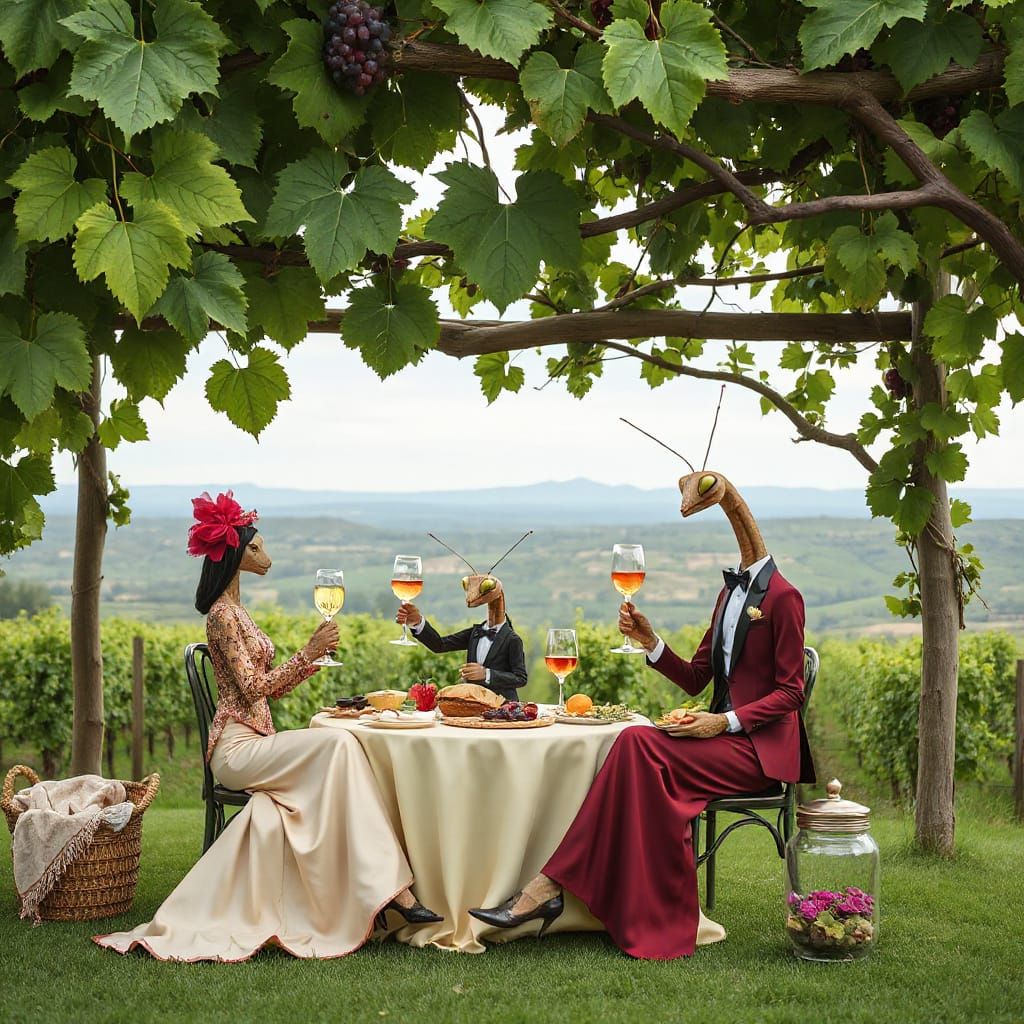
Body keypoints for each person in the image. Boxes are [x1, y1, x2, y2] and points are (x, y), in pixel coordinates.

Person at [470, 470, 814, 960]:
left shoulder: (785, 598)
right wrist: (649, 642)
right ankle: (558, 888)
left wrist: (724, 722)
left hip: (759, 751)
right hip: (722, 739)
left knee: (638, 745)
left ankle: (549, 888)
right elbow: (698, 677)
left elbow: (791, 692)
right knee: (632, 741)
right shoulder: (728, 595)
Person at [95, 491, 440, 962]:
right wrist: (308, 652)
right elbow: (254, 688)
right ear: (236, 555)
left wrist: (311, 661)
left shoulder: (239, 611)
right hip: (235, 750)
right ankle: (392, 893)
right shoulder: (220, 615)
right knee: (338, 746)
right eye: (256, 548)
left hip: (259, 740)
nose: (266, 557)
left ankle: (372, 894)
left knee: (341, 751)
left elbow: (271, 690)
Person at [397, 573, 527, 702]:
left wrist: (487, 674)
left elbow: (520, 678)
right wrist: (417, 622)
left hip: (503, 708)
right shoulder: (475, 633)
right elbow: (439, 645)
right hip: (473, 707)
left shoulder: (513, 640)